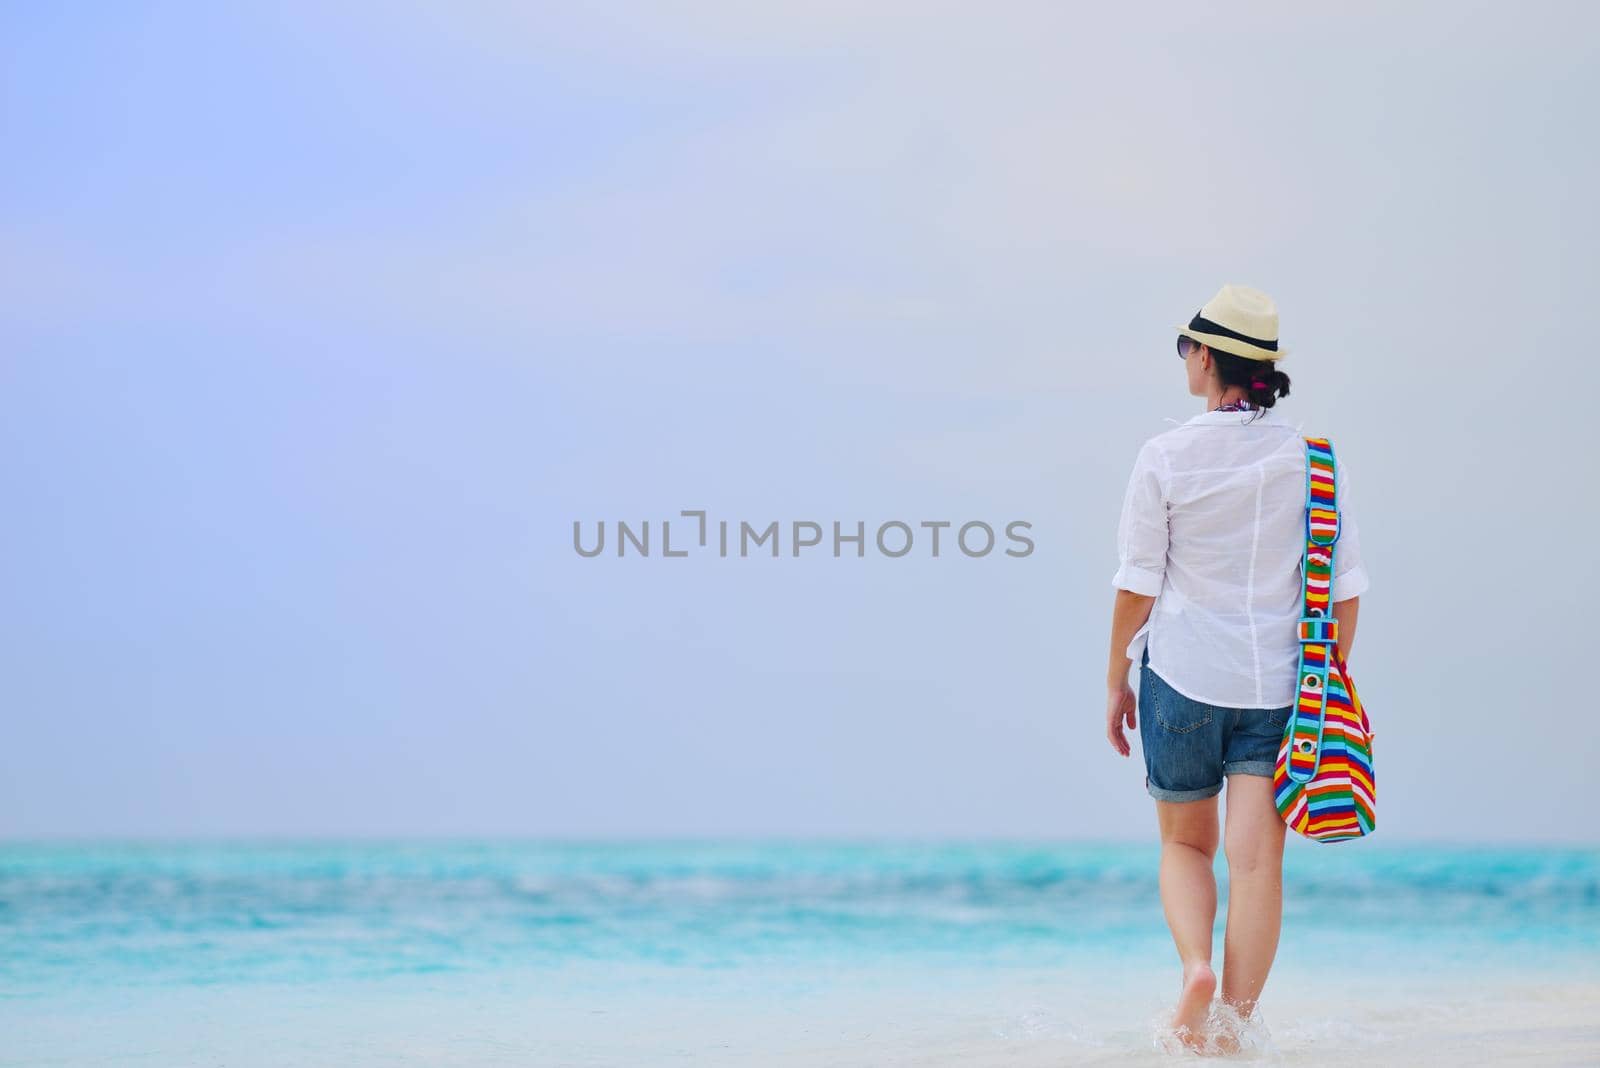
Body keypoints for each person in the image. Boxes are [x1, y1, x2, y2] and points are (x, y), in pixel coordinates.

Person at [1102, 284, 1369, 1053]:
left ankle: (1195, 971)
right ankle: (1234, 1033)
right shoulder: (1316, 461)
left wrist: (1118, 676)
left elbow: (1136, 584)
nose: (1184, 358)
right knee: (1257, 868)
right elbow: (1346, 594)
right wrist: (1329, 688)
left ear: (1209, 356)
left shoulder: (1165, 456)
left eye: (1187, 346)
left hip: (1182, 678)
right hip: (1282, 690)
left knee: (1186, 846)